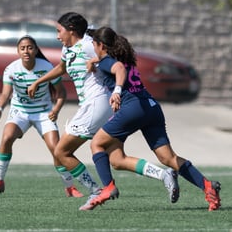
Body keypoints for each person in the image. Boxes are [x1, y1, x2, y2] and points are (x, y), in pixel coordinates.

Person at [27, 12, 179, 211]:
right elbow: (62, 68)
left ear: (71, 30)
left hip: (97, 105)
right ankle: (164, 175)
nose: (57, 36)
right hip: (99, 107)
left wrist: (118, 89)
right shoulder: (68, 48)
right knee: (117, 160)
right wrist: (39, 81)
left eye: (59, 31)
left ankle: (96, 191)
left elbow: (118, 65)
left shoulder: (90, 45)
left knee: (61, 151)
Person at [85, 26, 221, 211]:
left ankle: (108, 188)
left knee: (97, 144)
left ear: (101, 45)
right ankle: (207, 186)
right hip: (151, 107)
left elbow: (117, 69)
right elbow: (116, 65)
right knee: (165, 158)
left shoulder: (109, 62)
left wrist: (116, 91)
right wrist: (96, 61)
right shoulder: (124, 58)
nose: (93, 47)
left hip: (133, 108)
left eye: (94, 44)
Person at [0, 35, 83, 198]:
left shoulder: (46, 67)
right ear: (18, 51)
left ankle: (70, 187)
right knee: (7, 137)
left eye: (30, 47)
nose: (26, 51)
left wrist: (56, 110)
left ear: (36, 50)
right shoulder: (11, 69)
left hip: (43, 113)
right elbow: (5, 93)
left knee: (56, 150)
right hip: (20, 112)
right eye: (22, 48)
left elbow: (61, 92)